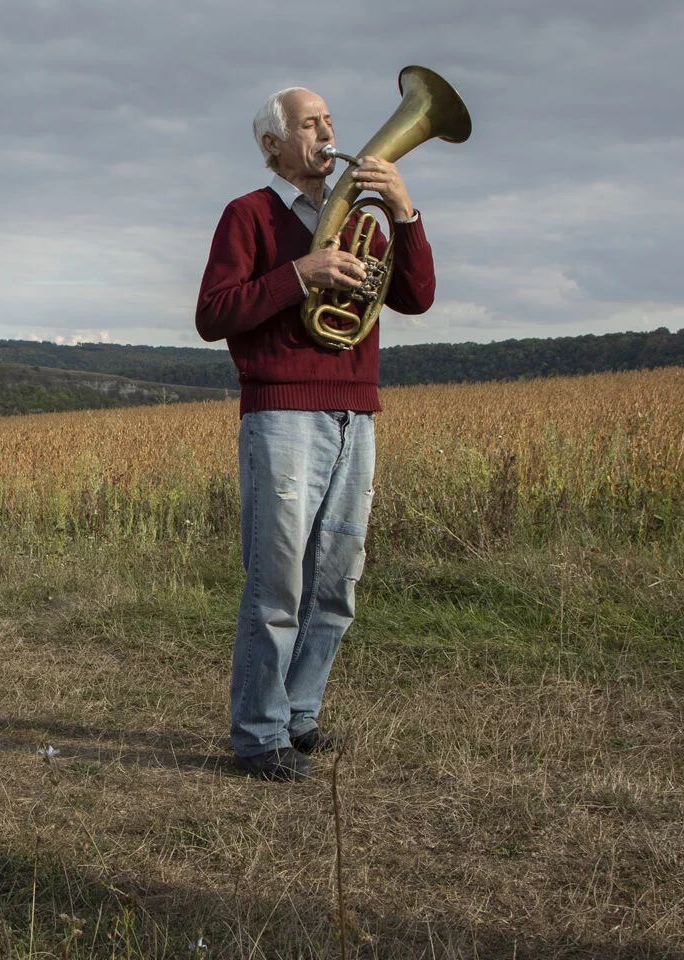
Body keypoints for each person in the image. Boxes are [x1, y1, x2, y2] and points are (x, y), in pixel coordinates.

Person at [195, 86, 437, 782]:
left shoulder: (365, 219)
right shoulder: (248, 216)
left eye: (330, 121)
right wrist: (300, 274)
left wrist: (403, 210)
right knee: (277, 584)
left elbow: (416, 296)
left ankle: (300, 717)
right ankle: (258, 735)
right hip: (282, 413)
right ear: (273, 144)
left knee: (336, 585)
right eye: (310, 123)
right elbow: (214, 314)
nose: (329, 133)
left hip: (355, 413)